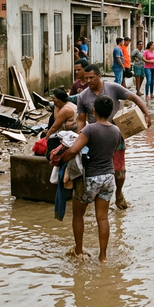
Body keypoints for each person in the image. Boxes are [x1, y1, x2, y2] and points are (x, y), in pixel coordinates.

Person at [77, 64, 151, 209]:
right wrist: (79, 138)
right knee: (94, 168)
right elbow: (81, 120)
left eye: (92, 77)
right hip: (94, 137)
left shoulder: (113, 88)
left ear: (99, 76)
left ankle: (119, 193)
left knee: (119, 169)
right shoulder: (83, 96)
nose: (89, 81)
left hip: (115, 134)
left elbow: (134, 97)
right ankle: (96, 196)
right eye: (86, 78)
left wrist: (146, 114)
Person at [62, 95, 121, 263]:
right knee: (102, 218)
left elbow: (73, 150)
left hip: (91, 178)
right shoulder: (116, 131)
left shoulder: (90, 129)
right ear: (110, 113)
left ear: (94, 111)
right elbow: (112, 152)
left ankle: (79, 252)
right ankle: (103, 257)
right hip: (109, 177)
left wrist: (60, 160)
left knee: (78, 215)